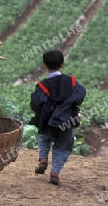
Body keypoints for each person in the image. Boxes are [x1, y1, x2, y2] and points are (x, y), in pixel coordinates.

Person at [29, 50, 86, 185]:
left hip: (48, 120)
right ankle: (55, 172)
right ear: (62, 64)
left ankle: (43, 159)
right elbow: (80, 96)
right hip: (66, 121)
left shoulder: (42, 85)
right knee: (63, 145)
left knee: (44, 137)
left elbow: (35, 103)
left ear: (44, 65)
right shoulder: (71, 81)